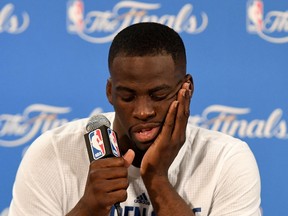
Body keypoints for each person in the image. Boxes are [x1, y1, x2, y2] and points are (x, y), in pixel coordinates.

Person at [8, 22, 261, 216]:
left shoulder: (227, 160)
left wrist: (157, 178)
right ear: (110, 92)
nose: (142, 111)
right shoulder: (51, 153)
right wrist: (88, 208)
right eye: (128, 97)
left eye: (158, 95)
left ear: (187, 89)